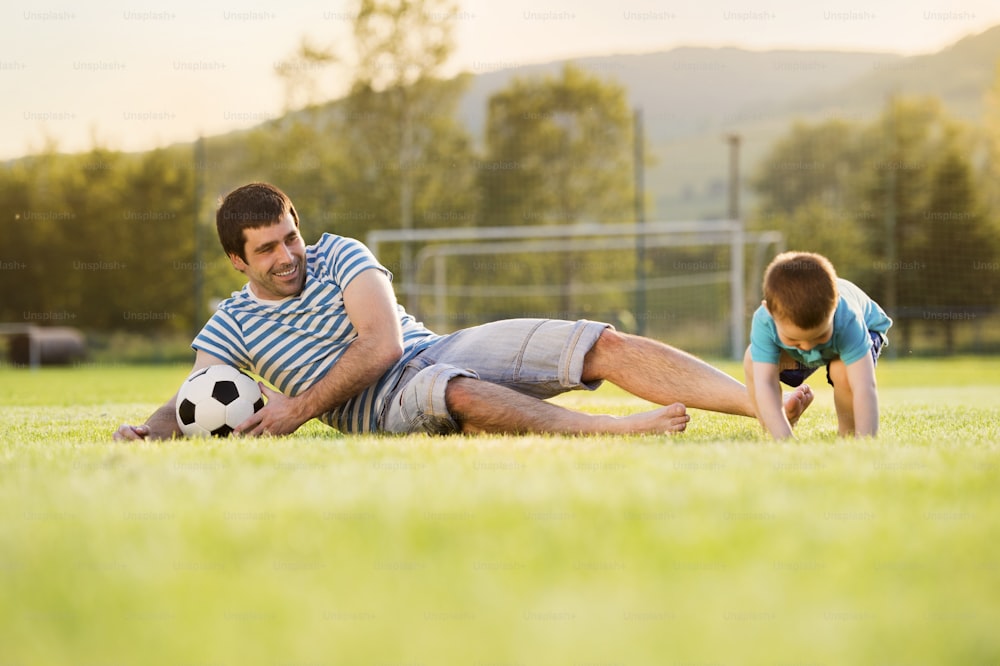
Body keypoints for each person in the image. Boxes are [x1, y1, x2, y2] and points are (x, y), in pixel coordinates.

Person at [114, 182, 813, 440]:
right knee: (456, 393)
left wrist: (296, 409)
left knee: (595, 341)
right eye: (267, 250)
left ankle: (759, 406)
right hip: (374, 408)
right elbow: (199, 395)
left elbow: (383, 342)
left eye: (290, 236)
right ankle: (615, 432)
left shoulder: (341, 255)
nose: (287, 254)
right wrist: (149, 433)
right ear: (238, 262)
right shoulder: (230, 323)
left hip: (432, 346)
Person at [743, 251, 892, 439]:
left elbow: (864, 386)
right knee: (752, 360)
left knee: (842, 370)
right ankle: (773, 427)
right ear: (771, 313)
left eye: (819, 336)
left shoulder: (848, 319)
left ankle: (848, 433)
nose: (807, 347)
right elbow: (764, 383)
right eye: (794, 340)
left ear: (835, 307)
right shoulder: (765, 320)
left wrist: (866, 439)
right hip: (815, 342)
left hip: (866, 328)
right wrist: (784, 439)